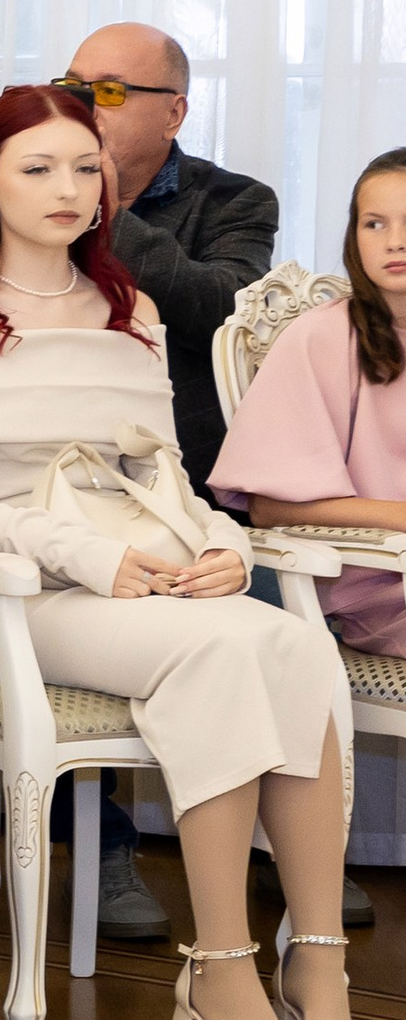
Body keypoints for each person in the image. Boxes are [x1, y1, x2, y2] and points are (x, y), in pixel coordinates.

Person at [0, 85, 365, 1020]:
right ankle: (223, 975)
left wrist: (221, 545)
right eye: (36, 169)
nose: (65, 189)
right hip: (14, 591)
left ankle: (316, 966)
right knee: (219, 649)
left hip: (144, 566)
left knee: (290, 643)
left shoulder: (133, 308)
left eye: (82, 168)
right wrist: (83, 556)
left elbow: (165, 472)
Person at [0, 24, 292, 941]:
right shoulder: (11, 197)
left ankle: (293, 864)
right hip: (24, 513)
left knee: (285, 636)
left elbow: (215, 311)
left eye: (109, 94)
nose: (84, 110)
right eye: (72, 85)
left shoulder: (234, 199)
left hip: (174, 481)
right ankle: (98, 844)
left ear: (174, 113)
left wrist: (103, 213)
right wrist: (72, 189)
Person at [212, 148, 406, 656]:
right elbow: (270, 506)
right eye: (374, 223)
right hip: (376, 586)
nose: (395, 242)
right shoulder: (322, 336)